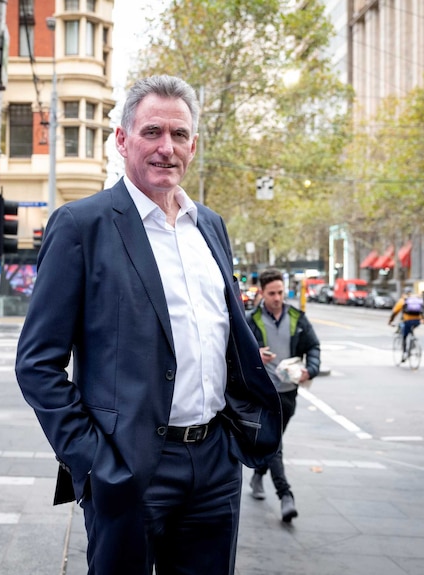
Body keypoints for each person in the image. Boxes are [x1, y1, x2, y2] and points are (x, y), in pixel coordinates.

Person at [15, 75, 281, 575]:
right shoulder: (81, 226)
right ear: (122, 139)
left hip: (215, 466)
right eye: (152, 132)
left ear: (194, 145)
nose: (166, 148)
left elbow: (221, 337)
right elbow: (36, 364)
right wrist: (94, 462)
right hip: (129, 469)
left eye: (179, 135)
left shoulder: (211, 226)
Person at [245, 268, 320, 522]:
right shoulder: (250, 320)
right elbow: (235, 351)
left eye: (280, 292)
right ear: (262, 293)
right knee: (275, 443)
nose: (277, 298)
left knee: (273, 442)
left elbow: (313, 346)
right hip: (264, 393)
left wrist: (311, 369)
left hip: (289, 394)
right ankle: (286, 495)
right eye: (272, 293)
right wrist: (255, 354)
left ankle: (257, 476)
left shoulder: (298, 318)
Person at [388, 286, 424, 360]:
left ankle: (405, 353)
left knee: (404, 336)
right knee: (411, 331)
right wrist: (423, 319)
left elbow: (395, 312)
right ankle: (413, 344)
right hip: (417, 321)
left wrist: (390, 321)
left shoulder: (403, 300)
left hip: (407, 321)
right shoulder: (416, 299)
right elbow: (421, 310)